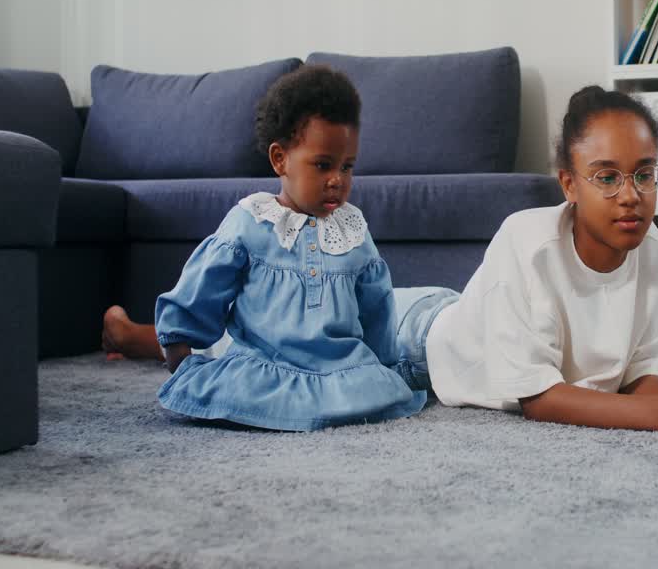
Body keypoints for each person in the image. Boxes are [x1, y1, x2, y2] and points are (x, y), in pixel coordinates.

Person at [394, 86, 658, 438]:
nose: (630, 196)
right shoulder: (526, 242)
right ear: (569, 185)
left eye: (644, 175)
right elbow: (539, 399)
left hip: (462, 312)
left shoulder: (652, 248)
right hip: (412, 340)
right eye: (607, 178)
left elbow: (640, 377)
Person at [102, 64, 425, 431]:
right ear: (279, 159)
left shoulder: (353, 232)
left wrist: (382, 366)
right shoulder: (250, 222)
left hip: (341, 373)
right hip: (264, 372)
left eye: (347, 166)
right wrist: (180, 349)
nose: (337, 180)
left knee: (378, 391)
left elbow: (377, 310)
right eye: (323, 165)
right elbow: (201, 289)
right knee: (229, 388)